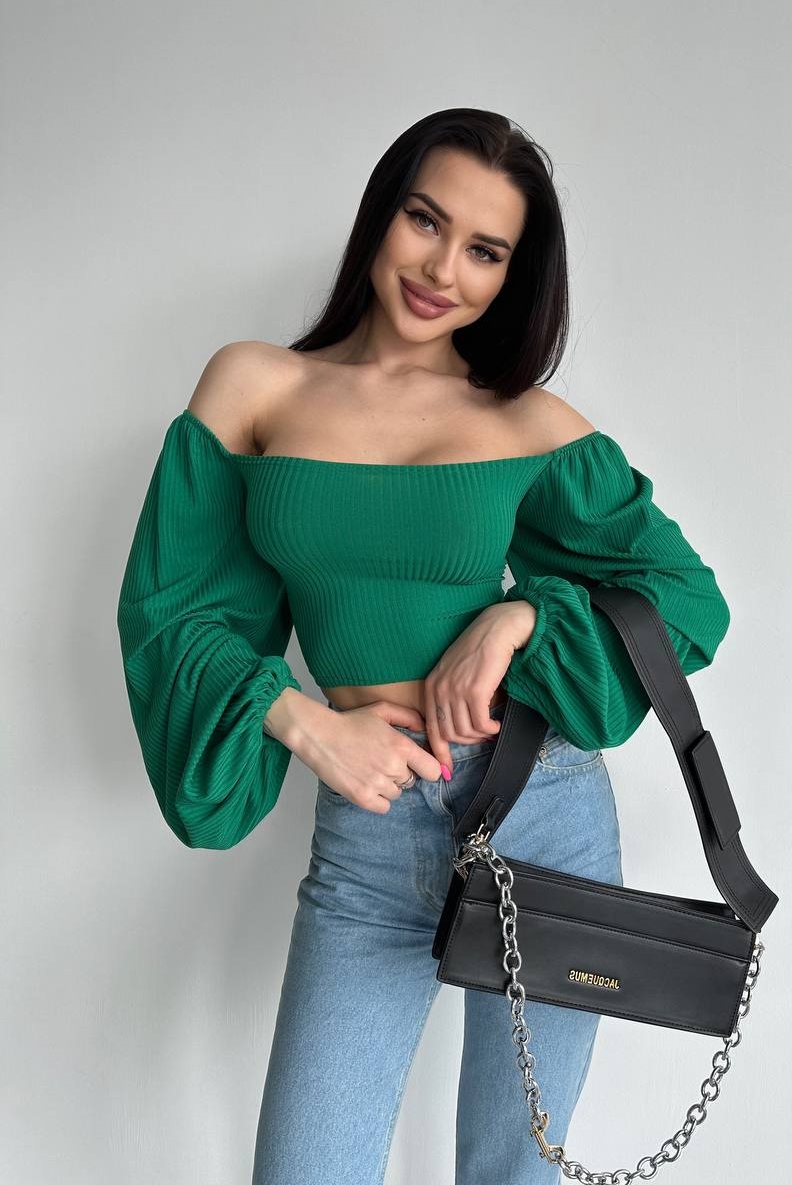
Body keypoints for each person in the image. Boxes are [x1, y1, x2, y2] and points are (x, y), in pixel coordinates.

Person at [116, 108, 731, 1185]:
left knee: (514, 1171)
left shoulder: (528, 422)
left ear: (512, 276)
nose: (444, 270)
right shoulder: (253, 386)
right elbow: (171, 610)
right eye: (426, 220)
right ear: (382, 215)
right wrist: (302, 720)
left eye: (486, 250)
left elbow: (686, 600)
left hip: (540, 808)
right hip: (368, 829)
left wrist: (523, 614)